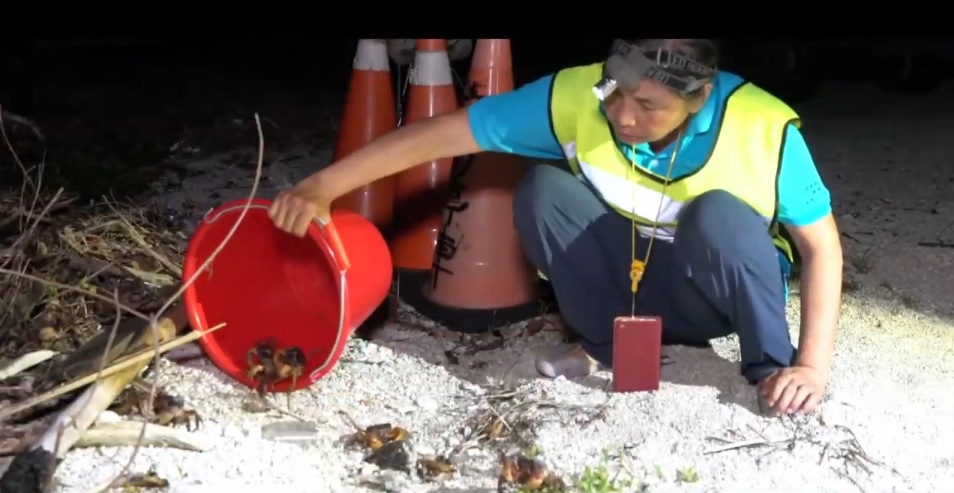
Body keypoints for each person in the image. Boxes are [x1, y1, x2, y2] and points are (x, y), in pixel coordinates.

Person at [267, 39, 843, 417]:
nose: (622, 116)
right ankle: (602, 345)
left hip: (715, 291)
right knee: (544, 190)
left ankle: (770, 368)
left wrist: (813, 363)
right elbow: (442, 134)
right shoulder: (573, 94)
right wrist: (325, 185)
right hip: (631, 280)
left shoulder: (762, 126)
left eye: (648, 105)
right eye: (614, 91)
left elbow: (822, 248)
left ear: (698, 99)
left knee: (717, 216)